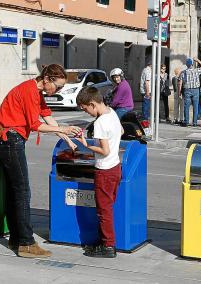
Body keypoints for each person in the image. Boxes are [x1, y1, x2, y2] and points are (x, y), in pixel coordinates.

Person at [0, 64, 81, 258]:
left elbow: (47, 115)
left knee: (13, 192)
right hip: (10, 141)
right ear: (47, 79)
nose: (57, 91)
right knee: (22, 192)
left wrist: (67, 138)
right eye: (57, 87)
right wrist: (64, 130)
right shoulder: (28, 91)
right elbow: (35, 125)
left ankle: (16, 239)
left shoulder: (37, 93)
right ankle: (26, 243)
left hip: (10, 141)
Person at [76, 86, 123, 258]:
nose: (87, 113)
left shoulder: (100, 122)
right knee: (108, 207)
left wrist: (86, 144)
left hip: (104, 170)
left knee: (103, 210)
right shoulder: (112, 113)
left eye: (86, 109)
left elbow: (104, 150)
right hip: (116, 167)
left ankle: (108, 246)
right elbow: (122, 131)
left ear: (92, 104)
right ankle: (104, 241)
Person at [178, 57, 201, 127]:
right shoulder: (196, 71)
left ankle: (186, 121)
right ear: (192, 64)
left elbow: (180, 83)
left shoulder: (183, 72)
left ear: (186, 64)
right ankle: (195, 123)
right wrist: (198, 60)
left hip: (187, 90)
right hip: (195, 90)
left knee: (186, 106)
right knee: (195, 106)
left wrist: (179, 92)